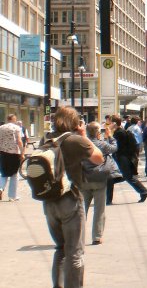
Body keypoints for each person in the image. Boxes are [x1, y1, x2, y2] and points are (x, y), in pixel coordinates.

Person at [44, 107, 104, 288]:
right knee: (75, 253)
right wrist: (84, 134)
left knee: (60, 249)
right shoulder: (75, 140)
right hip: (70, 199)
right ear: (76, 122)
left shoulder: (46, 138)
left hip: (49, 201)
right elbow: (98, 158)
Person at [80, 121, 119, 245]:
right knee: (99, 209)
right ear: (98, 132)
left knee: (81, 210)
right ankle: (97, 237)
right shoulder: (102, 144)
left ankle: (77, 236)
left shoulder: (82, 144)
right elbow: (114, 148)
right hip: (99, 180)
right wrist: (110, 136)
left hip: (84, 180)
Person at [108, 115, 147, 203]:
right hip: (124, 157)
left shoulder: (118, 133)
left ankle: (143, 191)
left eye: (110, 122)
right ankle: (108, 199)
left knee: (127, 177)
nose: (109, 124)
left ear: (114, 123)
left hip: (122, 158)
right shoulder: (120, 131)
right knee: (114, 178)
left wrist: (109, 133)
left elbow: (113, 146)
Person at [0, 114, 24, 201]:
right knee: (14, 174)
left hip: (3, 153)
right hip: (14, 153)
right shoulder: (17, 128)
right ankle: (12, 196)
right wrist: (22, 152)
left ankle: (0, 188)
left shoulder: (1, 127)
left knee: (4, 173)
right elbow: (19, 141)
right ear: (14, 119)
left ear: (7, 119)